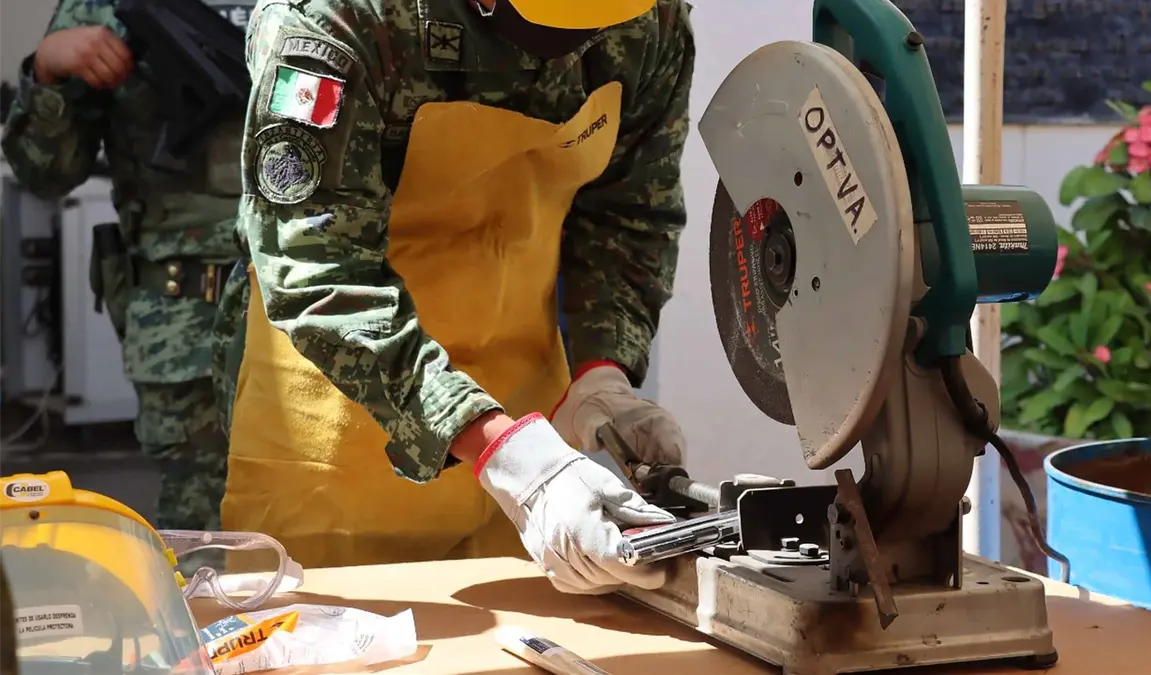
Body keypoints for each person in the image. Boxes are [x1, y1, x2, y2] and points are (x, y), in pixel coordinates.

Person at [214, 0, 695, 594]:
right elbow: (318, 268)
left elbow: (627, 216)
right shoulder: (340, 19)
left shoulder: (646, 20)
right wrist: (499, 448)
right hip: (338, 429)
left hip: (528, 425)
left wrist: (603, 372)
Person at [0, 0, 254, 530]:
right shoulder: (103, 6)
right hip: (187, 327)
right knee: (203, 532)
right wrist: (47, 72)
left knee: (338, 518)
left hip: (323, 300)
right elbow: (45, 175)